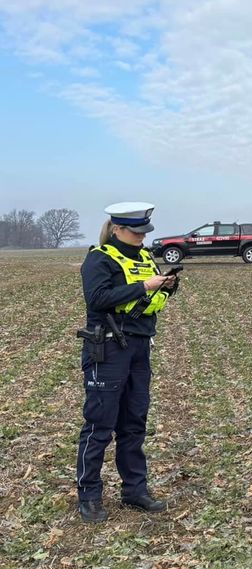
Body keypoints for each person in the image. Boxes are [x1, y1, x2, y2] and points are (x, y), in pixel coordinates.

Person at [76, 202, 178, 523]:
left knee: (134, 422)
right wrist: (144, 286)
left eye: (144, 231)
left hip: (138, 348)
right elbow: (98, 298)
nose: (141, 237)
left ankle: (135, 490)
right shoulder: (99, 259)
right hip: (106, 350)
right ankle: (89, 495)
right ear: (118, 229)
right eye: (135, 232)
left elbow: (147, 298)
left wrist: (166, 287)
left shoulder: (145, 257)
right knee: (100, 424)